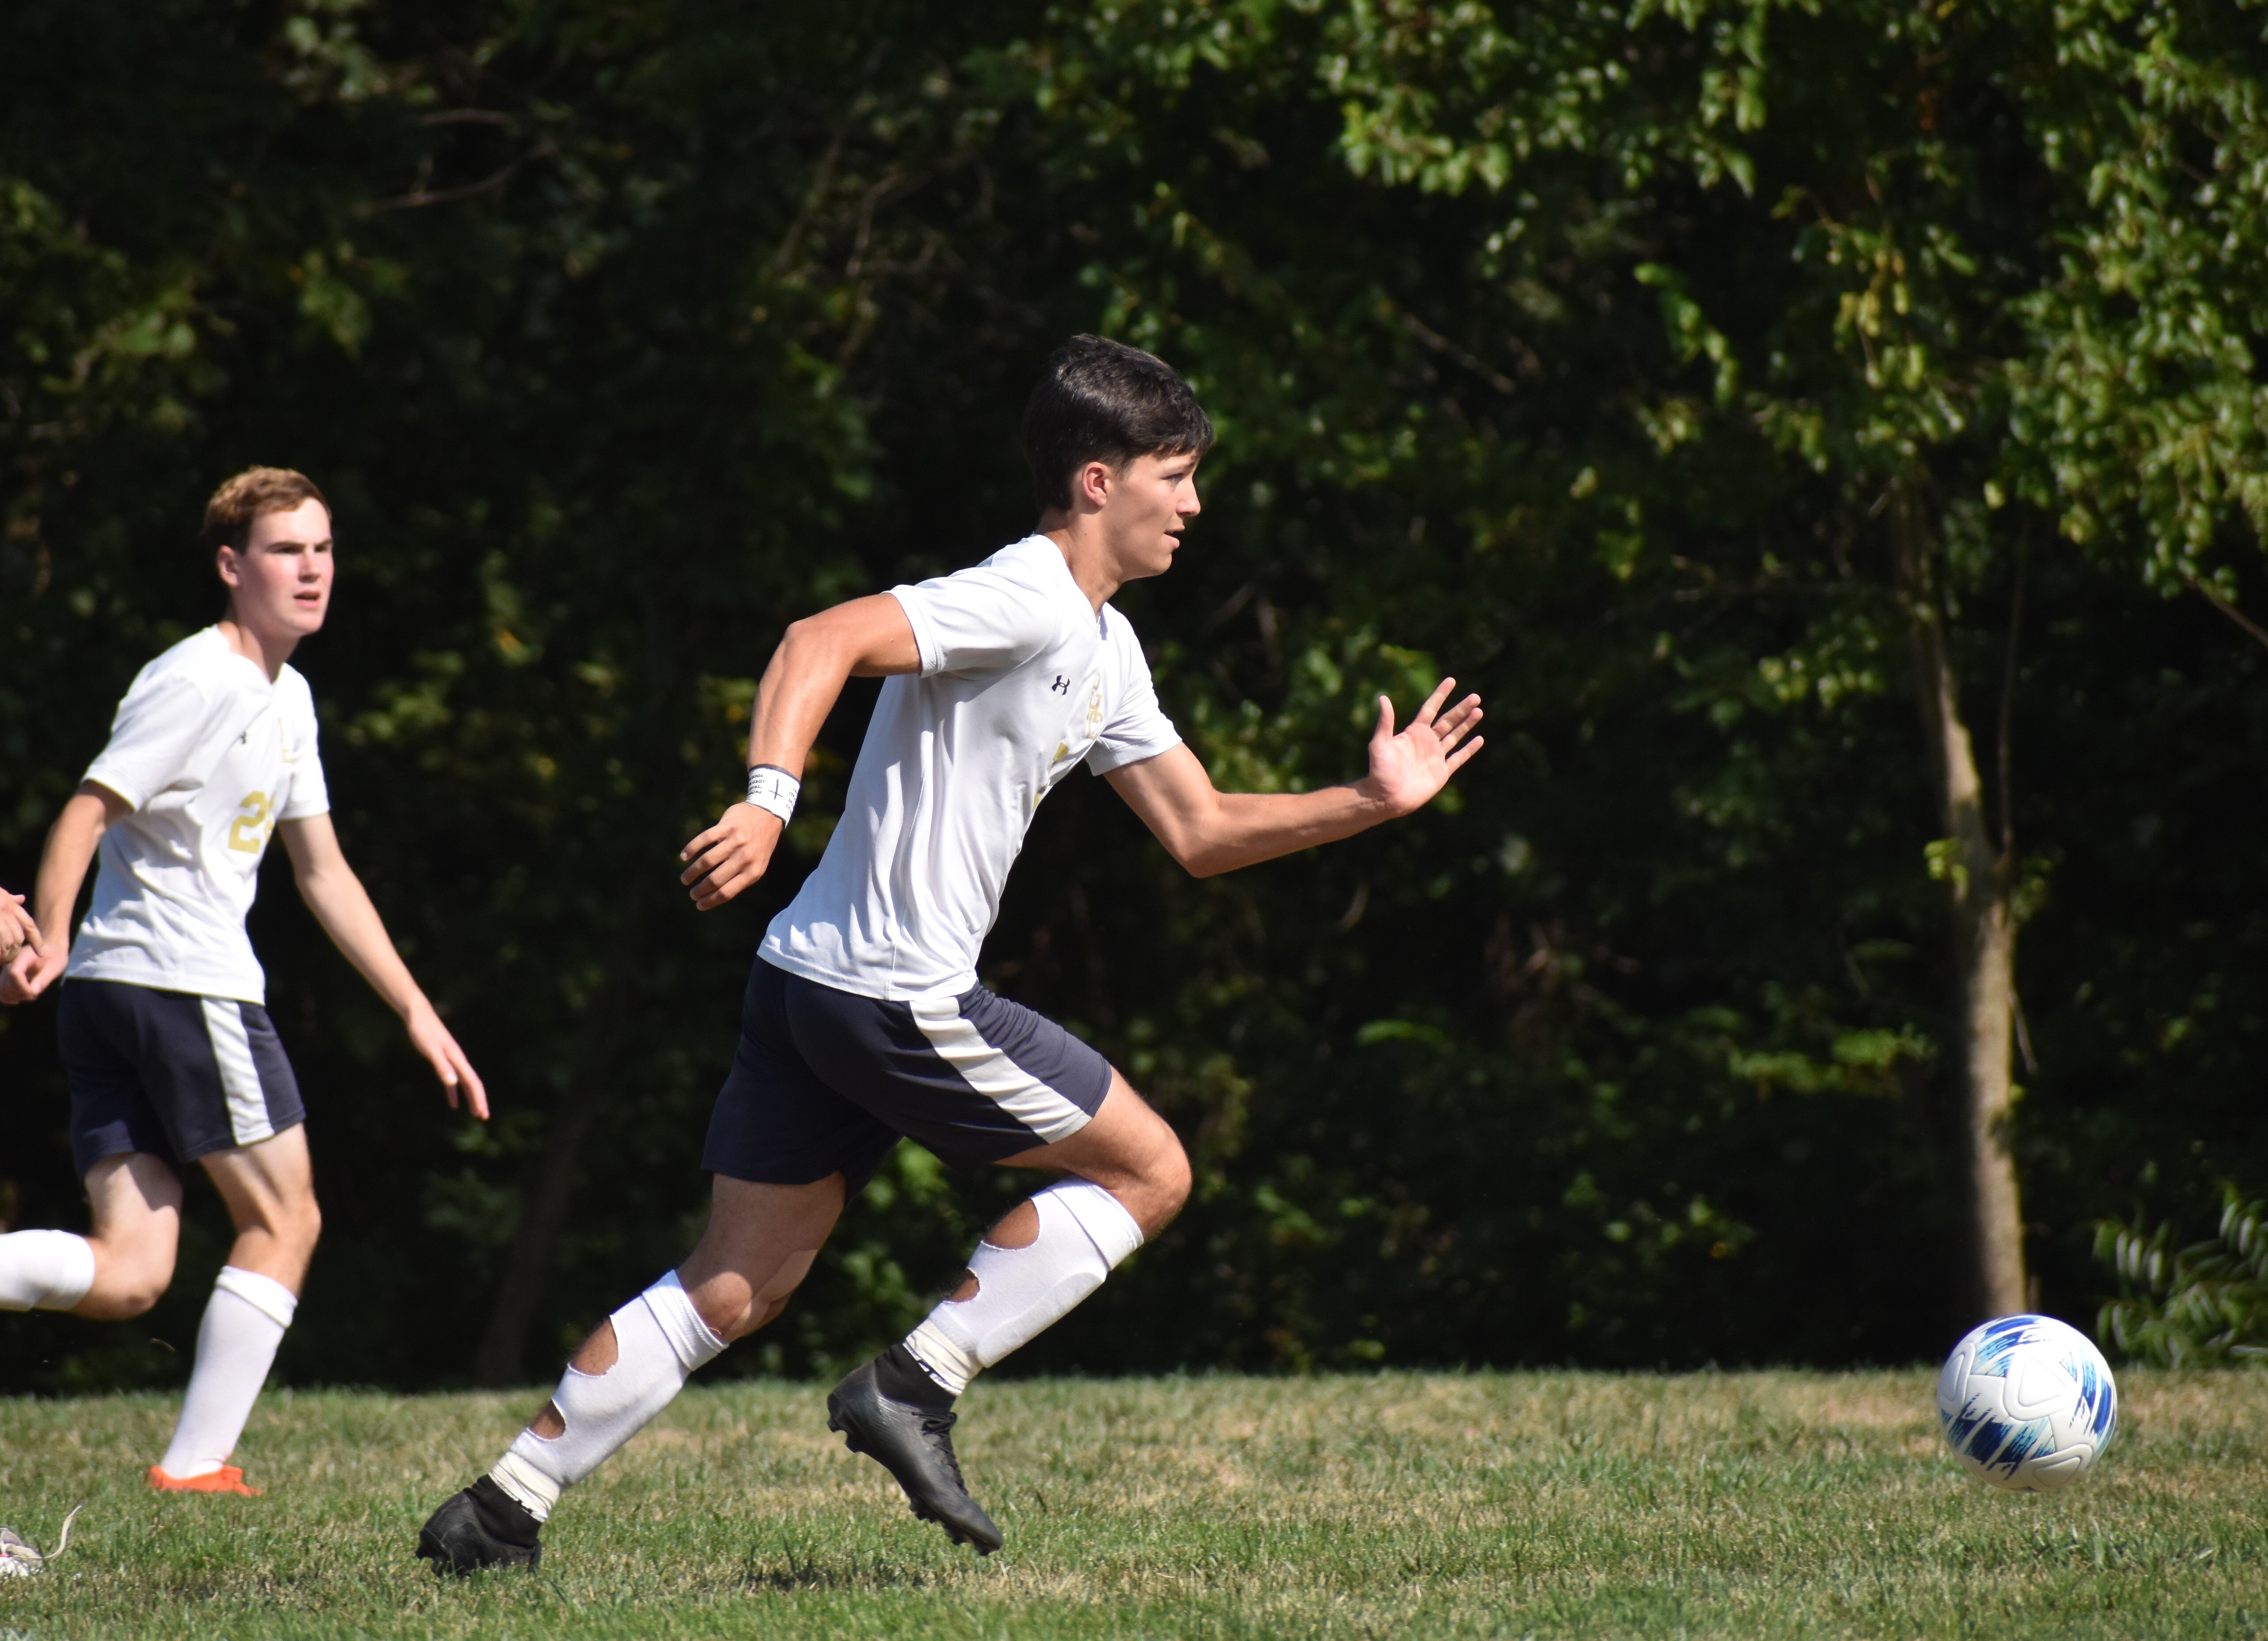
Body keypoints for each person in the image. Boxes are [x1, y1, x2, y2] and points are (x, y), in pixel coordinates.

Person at [414, 335, 1483, 1572]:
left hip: (805, 980)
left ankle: (496, 1513)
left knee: (735, 1285)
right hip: (895, 997)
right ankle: (916, 1384)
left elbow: (1199, 832)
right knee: (1151, 1171)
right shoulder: (1025, 593)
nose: (1193, 505)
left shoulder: (1106, 644)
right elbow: (818, 639)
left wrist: (1368, 801)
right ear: (1096, 481)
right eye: (1174, 476)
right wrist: (768, 801)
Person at [0, 467, 486, 1495]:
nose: (312, 569)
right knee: (287, 1219)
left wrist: (416, 1008)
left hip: (116, 992)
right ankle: (194, 1466)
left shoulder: (287, 693)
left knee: (132, 1271)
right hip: (181, 984)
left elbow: (322, 871)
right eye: (284, 550)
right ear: (232, 566)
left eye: (322, 548)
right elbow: (89, 809)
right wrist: (44, 938)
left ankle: (192, 1458)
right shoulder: (204, 678)